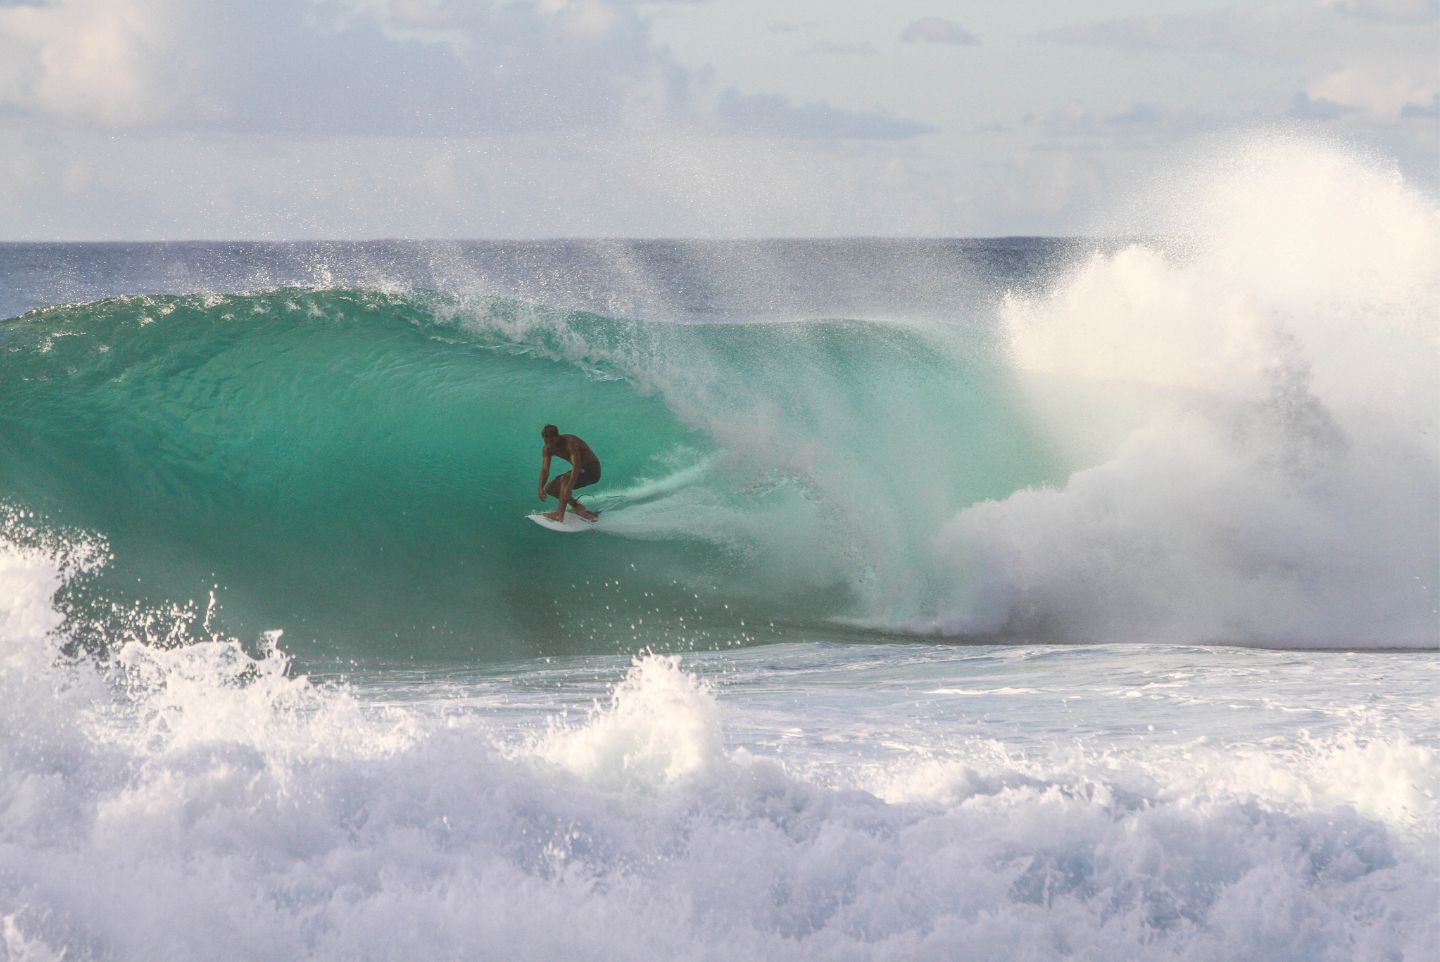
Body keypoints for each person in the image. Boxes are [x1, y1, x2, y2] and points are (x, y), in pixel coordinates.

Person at [537, 424, 601, 522]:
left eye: (551, 441)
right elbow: (545, 469)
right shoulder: (547, 449)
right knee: (550, 488)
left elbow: (577, 465)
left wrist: (569, 488)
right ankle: (577, 506)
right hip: (581, 471)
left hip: (592, 470)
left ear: (557, 437)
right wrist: (541, 488)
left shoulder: (570, 442)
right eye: (546, 441)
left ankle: (559, 515)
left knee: (565, 479)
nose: (549, 444)